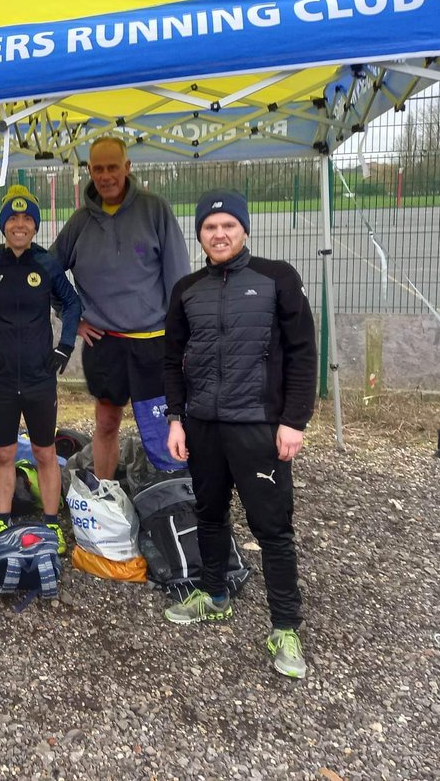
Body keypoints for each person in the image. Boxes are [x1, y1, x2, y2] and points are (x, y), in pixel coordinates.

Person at [162, 189, 317, 680]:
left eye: (228, 225)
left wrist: (294, 420)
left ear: (244, 229)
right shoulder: (186, 288)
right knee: (208, 513)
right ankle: (214, 593)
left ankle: (285, 627)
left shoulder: (277, 278)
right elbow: (172, 359)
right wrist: (174, 418)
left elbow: (302, 353)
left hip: (259, 426)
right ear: (200, 235)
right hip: (203, 425)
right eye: (210, 227)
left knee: (272, 528)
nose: (220, 234)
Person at [52, 136, 191, 480]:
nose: (105, 175)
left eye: (112, 167)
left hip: (154, 341)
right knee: (106, 422)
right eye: (98, 168)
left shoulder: (155, 210)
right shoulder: (81, 221)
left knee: (165, 425)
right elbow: (47, 272)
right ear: (89, 171)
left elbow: (179, 278)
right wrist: (74, 319)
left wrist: (182, 337)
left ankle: (174, 494)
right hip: (106, 343)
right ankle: (106, 495)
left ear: (127, 168)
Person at [0, 185, 81, 555]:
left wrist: (65, 348)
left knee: (46, 454)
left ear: (35, 225)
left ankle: (51, 524)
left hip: (39, 379)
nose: (20, 224)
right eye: (13, 218)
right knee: (3, 454)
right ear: (3, 225)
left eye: (27, 218)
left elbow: (73, 304)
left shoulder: (47, 265)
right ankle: (1, 523)